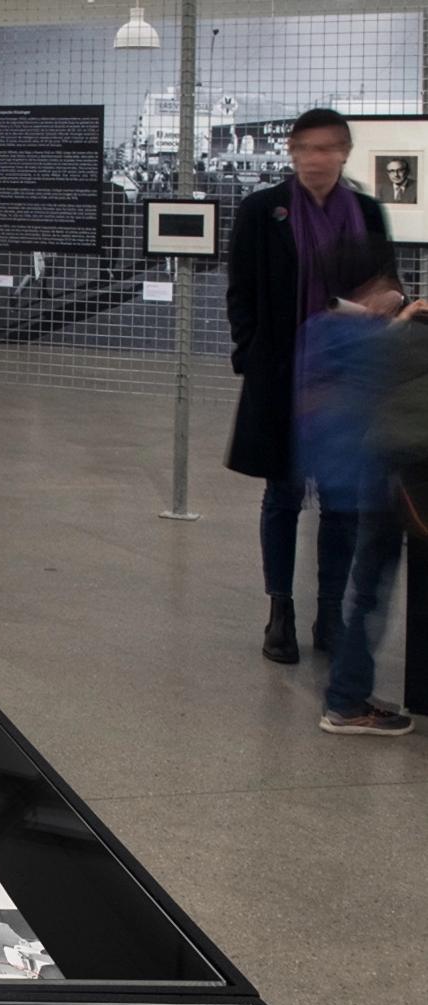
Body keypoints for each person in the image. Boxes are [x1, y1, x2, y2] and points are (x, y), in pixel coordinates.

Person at [225, 108, 392, 663]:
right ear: (291, 151)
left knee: (342, 504)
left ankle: (328, 616)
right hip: (281, 375)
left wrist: (385, 304)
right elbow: (241, 290)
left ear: (344, 152)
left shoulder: (365, 212)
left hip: (346, 378)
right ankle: (281, 613)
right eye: (306, 148)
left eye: (327, 148)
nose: (316, 159)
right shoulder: (260, 211)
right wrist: (252, 352)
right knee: (283, 496)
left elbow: (385, 283)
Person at [297, 236, 428, 735]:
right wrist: (401, 324)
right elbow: (377, 372)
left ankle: (347, 691)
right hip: (375, 477)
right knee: (369, 591)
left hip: (351, 477)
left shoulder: (325, 327)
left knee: (361, 587)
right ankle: (347, 701)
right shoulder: (359, 335)